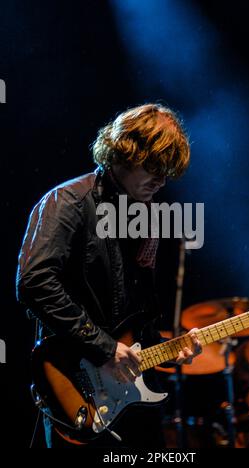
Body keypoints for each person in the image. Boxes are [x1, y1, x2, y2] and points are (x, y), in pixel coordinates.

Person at [16, 103, 201, 448]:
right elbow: (34, 282)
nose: (161, 181)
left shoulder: (147, 220)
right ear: (124, 152)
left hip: (132, 398)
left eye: (168, 172)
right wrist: (104, 348)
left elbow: (137, 321)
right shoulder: (67, 202)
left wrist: (166, 349)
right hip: (76, 387)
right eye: (155, 168)